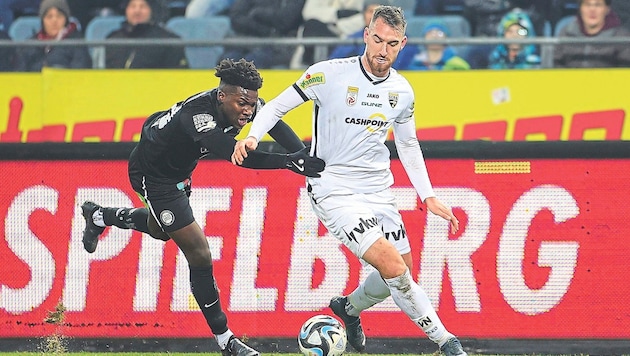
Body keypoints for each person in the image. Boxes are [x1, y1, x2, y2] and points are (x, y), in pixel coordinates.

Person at [232, 6, 467, 356]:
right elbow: (276, 106)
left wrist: (428, 195)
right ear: (365, 35)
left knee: (400, 273)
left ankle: (348, 308)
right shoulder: (326, 74)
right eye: (376, 40)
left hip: (378, 190)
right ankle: (448, 343)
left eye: (390, 43)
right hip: (333, 189)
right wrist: (253, 136)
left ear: (402, 44)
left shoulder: (402, 91)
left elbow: (407, 142)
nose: (382, 50)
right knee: (393, 267)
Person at [80, 58, 324, 356]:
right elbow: (237, 156)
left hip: (179, 171)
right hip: (153, 175)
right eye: (242, 103)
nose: (248, 111)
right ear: (222, 96)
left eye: (252, 104)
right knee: (198, 250)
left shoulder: (241, 104)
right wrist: (290, 163)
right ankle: (226, 341)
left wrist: (304, 157)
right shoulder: (198, 116)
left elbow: (274, 123)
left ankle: (98, 216)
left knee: (161, 231)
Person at [329, 0, 418, 70]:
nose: (373, 16)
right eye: (370, 11)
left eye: (378, 12)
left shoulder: (405, 42)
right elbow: (335, 64)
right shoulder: (351, 39)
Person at [222, 0, 305, 69]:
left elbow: (284, 21)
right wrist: (263, 29)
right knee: (228, 61)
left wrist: (257, 12)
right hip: (245, 40)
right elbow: (236, 18)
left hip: (277, 44)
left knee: (252, 62)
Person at [105, 0, 188, 69]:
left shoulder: (168, 41)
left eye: (143, 6)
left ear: (152, 10)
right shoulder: (112, 39)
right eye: (132, 6)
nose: (137, 11)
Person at [14, 0, 92, 72]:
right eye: (49, 16)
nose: (54, 21)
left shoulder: (77, 43)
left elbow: (80, 71)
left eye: (59, 16)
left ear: (66, 19)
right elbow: (18, 73)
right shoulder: (30, 44)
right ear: (42, 20)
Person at [554, 0, 630, 68]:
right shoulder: (566, 33)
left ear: (607, 9)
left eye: (598, 5)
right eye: (587, 4)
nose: (592, 10)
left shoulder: (621, 38)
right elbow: (556, 66)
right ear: (580, 9)